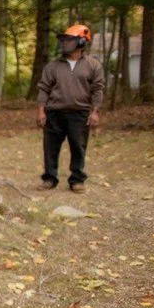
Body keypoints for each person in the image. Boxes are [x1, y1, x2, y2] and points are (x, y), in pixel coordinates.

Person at [36, 24, 105, 193]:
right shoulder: (53, 66)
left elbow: (97, 89)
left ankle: (77, 180)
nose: (65, 43)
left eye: (69, 40)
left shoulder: (93, 65)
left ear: (81, 42)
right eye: (64, 40)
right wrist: (41, 110)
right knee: (50, 147)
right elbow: (44, 88)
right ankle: (50, 178)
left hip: (79, 113)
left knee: (78, 146)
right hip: (54, 112)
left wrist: (95, 111)